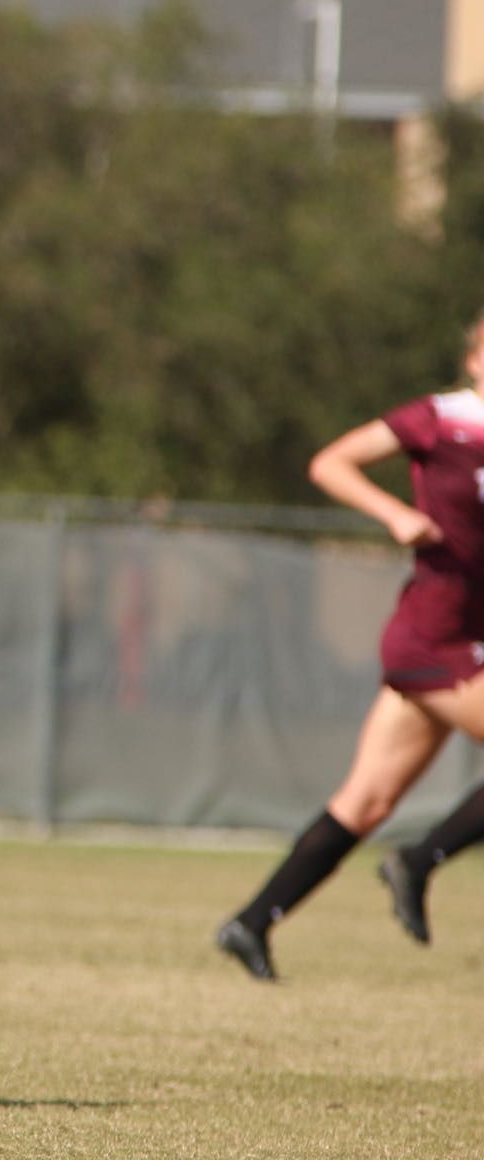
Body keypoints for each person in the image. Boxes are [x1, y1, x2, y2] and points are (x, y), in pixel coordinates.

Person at [215, 311, 484, 980]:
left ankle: (251, 922)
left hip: (463, 640)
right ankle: (418, 860)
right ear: (474, 359)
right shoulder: (439, 418)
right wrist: (394, 513)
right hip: (432, 636)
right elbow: (330, 462)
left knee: (364, 802)